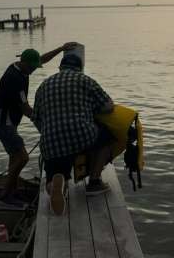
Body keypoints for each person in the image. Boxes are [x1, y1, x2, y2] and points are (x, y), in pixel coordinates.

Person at [0, 42, 77, 206]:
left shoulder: (21, 67)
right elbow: (25, 108)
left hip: (9, 120)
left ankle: (12, 192)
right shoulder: (14, 78)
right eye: (32, 67)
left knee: (14, 156)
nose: (34, 70)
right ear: (24, 63)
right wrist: (46, 122)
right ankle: (4, 197)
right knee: (22, 157)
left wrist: (60, 49)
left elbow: (41, 59)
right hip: (2, 122)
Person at [32, 54, 114, 215]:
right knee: (107, 138)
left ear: (60, 68)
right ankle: (94, 183)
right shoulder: (85, 80)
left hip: (51, 142)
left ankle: (54, 184)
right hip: (81, 135)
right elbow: (108, 106)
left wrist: (50, 133)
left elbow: (36, 118)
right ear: (80, 68)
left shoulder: (43, 85)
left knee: (55, 171)